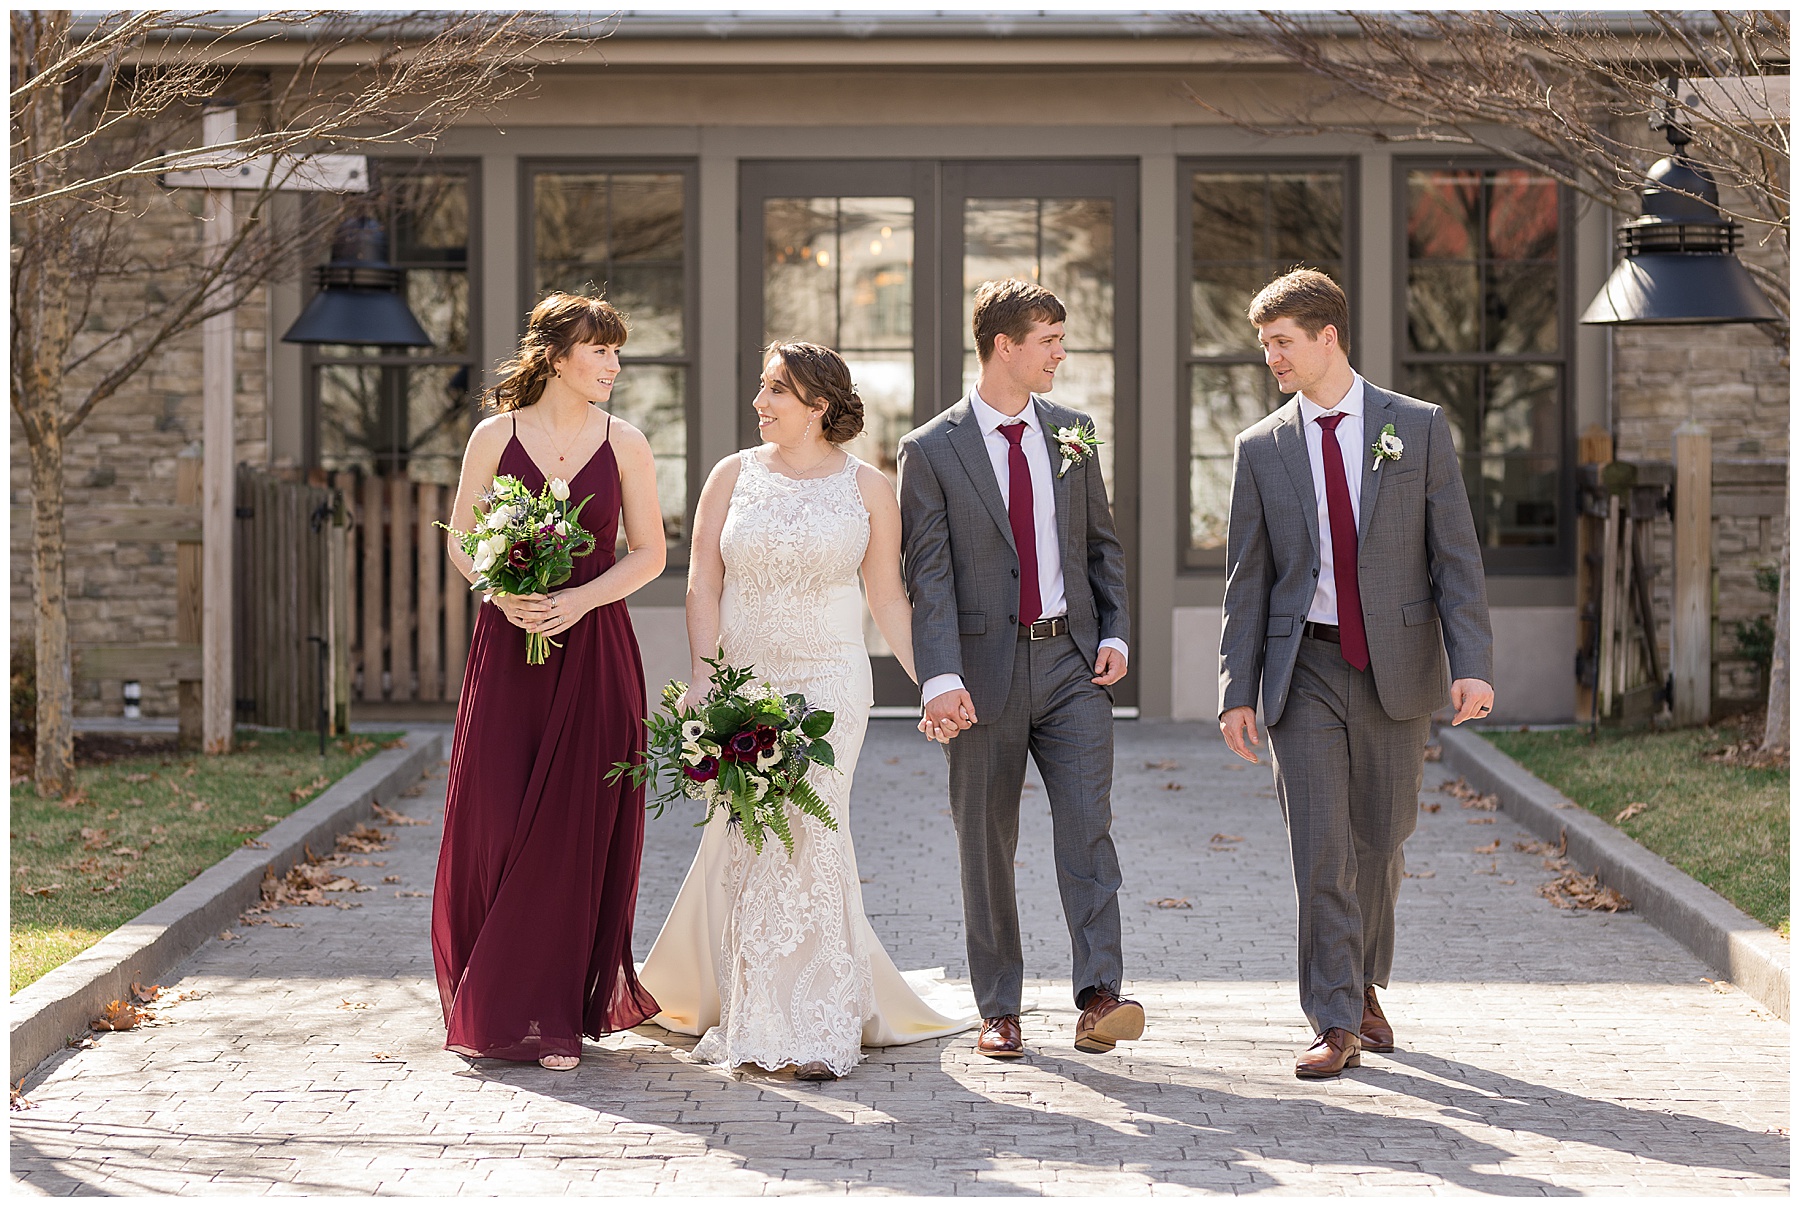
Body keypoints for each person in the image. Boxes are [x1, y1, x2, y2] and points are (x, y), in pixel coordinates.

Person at [638, 341, 977, 1081]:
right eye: (762, 388)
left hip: (830, 683)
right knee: (752, 839)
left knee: (812, 832)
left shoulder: (868, 486)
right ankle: (757, 1015)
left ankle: (819, 1027)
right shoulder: (730, 476)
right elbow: (702, 583)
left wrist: (933, 681)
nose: (760, 402)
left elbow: (887, 596)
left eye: (776, 391)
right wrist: (702, 676)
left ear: (819, 405)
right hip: (745, 683)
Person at [1217, 269, 1495, 1079]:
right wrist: (1237, 688)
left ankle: (1365, 978)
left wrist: (1472, 664)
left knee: (1383, 838)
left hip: (1396, 668)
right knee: (1320, 845)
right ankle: (1334, 1014)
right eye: (1265, 344)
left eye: (1282, 343)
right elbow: (1247, 579)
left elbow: (1456, 557)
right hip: (1300, 666)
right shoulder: (1261, 446)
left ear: (1327, 336)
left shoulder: (1417, 428)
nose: (1271, 357)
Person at [897, 279, 1139, 1061]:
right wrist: (938, 676)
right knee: (985, 841)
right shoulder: (931, 449)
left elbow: (1102, 544)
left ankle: (1100, 993)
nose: (1061, 354)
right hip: (980, 673)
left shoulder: (1074, 432)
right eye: (1050, 340)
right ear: (1005, 345)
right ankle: (998, 1005)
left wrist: (1117, 635)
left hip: (1071, 661)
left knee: (1088, 829)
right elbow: (925, 573)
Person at [431, 292, 666, 1071]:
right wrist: (501, 590)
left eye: (616, 352)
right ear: (558, 356)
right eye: (600, 351)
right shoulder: (494, 436)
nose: (613, 365)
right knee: (494, 818)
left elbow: (650, 552)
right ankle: (490, 993)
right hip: (509, 650)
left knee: (574, 830)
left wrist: (577, 598)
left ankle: (555, 1016)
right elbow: (463, 536)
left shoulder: (625, 441)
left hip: (594, 649)